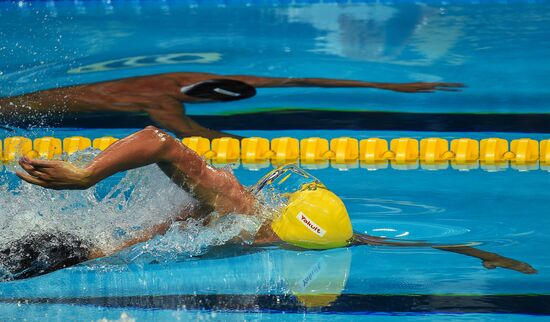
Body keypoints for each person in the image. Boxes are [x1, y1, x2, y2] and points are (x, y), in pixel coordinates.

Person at [8, 126, 535, 281]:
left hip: (81, 250)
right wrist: (84, 177)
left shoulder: (284, 231)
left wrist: (470, 252)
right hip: (73, 248)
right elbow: (158, 140)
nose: (274, 192)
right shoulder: (243, 213)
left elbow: (358, 239)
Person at [0, 72, 463, 138]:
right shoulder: (159, 100)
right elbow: (197, 136)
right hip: (13, 111)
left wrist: (387, 87)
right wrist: (248, 141)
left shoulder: (178, 80)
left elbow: (295, 79)